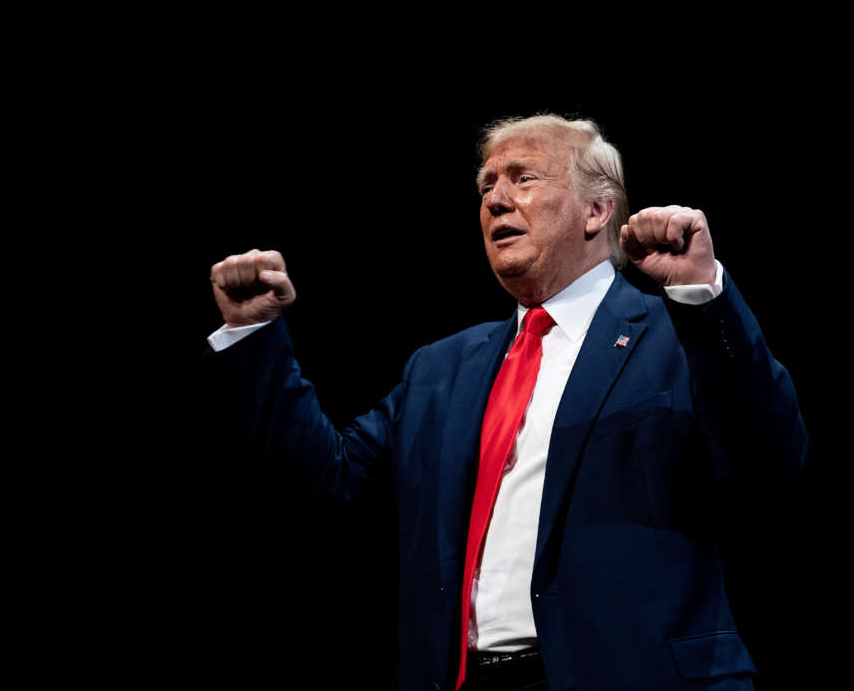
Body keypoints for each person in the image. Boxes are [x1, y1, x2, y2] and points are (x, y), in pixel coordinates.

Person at [201, 115, 807, 690]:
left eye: (524, 178)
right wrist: (255, 335)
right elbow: (329, 480)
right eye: (487, 184)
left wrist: (700, 294)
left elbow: (771, 455)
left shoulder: (676, 335)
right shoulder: (440, 368)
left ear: (597, 210)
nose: (494, 199)